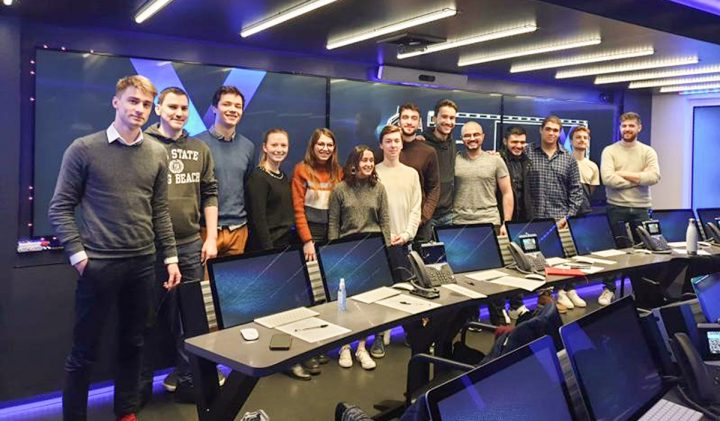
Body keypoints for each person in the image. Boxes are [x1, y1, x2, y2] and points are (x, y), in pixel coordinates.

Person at [48, 75, 181, 421]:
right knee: (84, 352)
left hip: (143, 264)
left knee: (133, 343)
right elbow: (60, 207)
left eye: (146, 104)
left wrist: (170, 257)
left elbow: (159, 210)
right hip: (99, 265)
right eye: (133, 101)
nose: (139, 109)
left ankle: (126, 411)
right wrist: (79, 257)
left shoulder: (157, 152)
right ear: (116, 102)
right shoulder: (83, 149)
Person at [141, 87, 221, 403]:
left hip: (189, 245)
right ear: (158, 108)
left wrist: (211, 237)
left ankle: (189, 382)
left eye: (184, 108)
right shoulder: (142, 144)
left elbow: (210, 193)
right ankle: (140, 389)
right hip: (149, 248)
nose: (178, 113)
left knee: (190, 319)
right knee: (144, 319)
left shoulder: (200, 148)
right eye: (172, 107)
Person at [246, 129, 313, 380]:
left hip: (286, 249)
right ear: (264, 147)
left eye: (283, 145)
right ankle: (282, 360)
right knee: (273, 309)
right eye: (274, 145)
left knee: (289, 308)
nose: (279, 149)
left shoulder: (283, 176)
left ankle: (292, 355)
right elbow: (258, 220)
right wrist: (270, 256)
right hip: (267, 252)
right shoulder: (258, 178)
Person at [329, 145, 391, 370]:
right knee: (345, 303)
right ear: (353, 163)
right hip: (346, 251)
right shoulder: (340, 189)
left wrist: (386, 251)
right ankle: (345, 346)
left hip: (373, 251)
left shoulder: (379, 188)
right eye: (363, 160)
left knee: (368, 303)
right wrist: (333, 254)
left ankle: (362, 347)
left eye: (371, 160)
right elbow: (333, 223)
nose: (368, 164)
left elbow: (385, 221)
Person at [291, 128, 343, 375]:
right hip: (310, 236)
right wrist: (307, 240)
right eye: (320, 144)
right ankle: (305, 350)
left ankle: (321, 345)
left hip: (330, 235)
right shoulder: (301, 170)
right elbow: (298, 209)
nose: (325, 149)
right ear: (313, 146)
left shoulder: (338, 172)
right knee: (307, 295)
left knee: (325, 294)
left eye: (329, 145)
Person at [600, 112, 660, 305]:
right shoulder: (609, 151)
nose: (627, 129)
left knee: (645, 253)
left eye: (631, 126)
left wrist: (623, 173)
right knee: (613, 252)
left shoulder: (648, 152)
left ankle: (642, 292)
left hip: (642, 209)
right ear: (620, 128)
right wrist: (638, 179)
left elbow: (654, 177)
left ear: (639, 128)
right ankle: (609, 289)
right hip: (616, 207)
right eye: (624, 126)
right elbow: (608, 179)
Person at [526, 116, 584, 313]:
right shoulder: (527, 152)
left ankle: (562, 292)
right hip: (533, 219)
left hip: (558, 219)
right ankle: (545, 299)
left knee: (559, 261)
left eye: (555, 130)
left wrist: (567, 216)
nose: (551, 133)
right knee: (536, 262)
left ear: (560, 133)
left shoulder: (568, 158)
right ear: (541, 130)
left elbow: (576, 191)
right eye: (548, 129)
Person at [373, 125, 422, 358]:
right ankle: (379, 336)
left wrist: (406, 235)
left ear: (402, 144)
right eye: (388, 141)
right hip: (380, 246)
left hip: (403, 243)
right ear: (381, 145)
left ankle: (413, 334)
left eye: (396, 141)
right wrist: (383, 238)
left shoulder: (411, 174)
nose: (393, 145)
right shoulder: (373, 172)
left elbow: (415, 209)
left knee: (406, 292)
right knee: (380, 294)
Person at [196, 86, 255, 258]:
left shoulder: (248, 147)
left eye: (238, 106)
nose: (233, 110)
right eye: (227, 104)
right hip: (205, 231)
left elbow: (245, 185)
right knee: (204, 277)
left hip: (239, 230)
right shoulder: (197, 144)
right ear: (214, 108)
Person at [378, 103, 439, 242]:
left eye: (414, 118)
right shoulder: (384, 151)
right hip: (391, 226)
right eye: (405, 117)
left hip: (419, 225)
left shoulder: (428, 152)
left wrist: (422, 218)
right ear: (399, 120)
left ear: (419, 123)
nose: (409, 122)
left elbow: (434, 188)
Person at [497, 127, 534, 321]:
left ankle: (516, 304)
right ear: (505, 141)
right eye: (514, 142)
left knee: (519, 263)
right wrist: (505, 220)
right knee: (500, 265)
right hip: (502, 219)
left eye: (522, 142)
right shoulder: (496, 159)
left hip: (523, 219)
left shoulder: (528, 161)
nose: (518, 146)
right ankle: (498, 307)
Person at [453, 121, 513, 234]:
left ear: (483, 136)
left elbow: (507, 192)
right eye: (467, 135)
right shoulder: (453, 160)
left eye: (476, 134)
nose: (472, 138)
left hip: (489, 221)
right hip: (459, 221)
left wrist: (506, 223)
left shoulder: (496, 160)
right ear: (461, 138)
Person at [422, 99, 458, 230]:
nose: (448, 121)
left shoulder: (452, 143)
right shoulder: (422, 144)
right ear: (434, 118)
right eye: (444, 117)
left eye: (452, 118)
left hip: (448, 214)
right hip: (427, 215)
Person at [571, 125, 600, 216]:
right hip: (564, 212)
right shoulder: (562, 162)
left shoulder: (593, 166)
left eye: (585, 138)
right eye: (578, 137)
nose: (582, 140)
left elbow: (591, 192)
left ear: (588, 141)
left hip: (584, 212)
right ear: (571, 141)